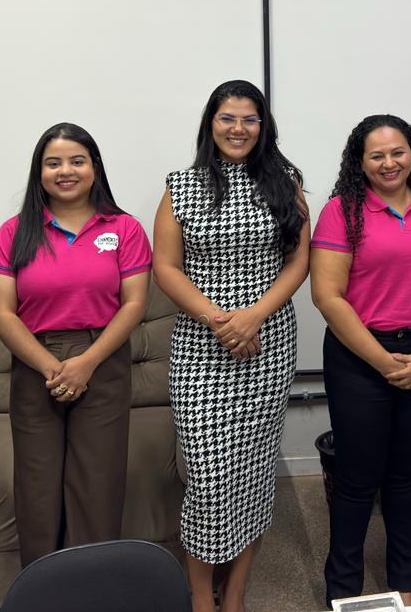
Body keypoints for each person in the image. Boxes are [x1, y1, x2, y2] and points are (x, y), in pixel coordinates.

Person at [153, 80, 309, 612]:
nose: (238, 129)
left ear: (263, 127)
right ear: (210, 124)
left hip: (267, 345)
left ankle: (236, 592)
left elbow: (299, 263)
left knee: (252, 472)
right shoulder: (183, 185)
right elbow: (166, 268)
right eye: (227, 118)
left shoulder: (286, 183)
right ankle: (201, 596)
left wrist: (254, 317)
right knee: (208, 476)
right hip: (201, 346)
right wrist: (222, 320)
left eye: (249, 119)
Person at [310, 114, 411, 607]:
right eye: (376, 155)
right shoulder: (342, 211)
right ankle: (345, 589)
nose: (388, 162)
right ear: (360, 162)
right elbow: (328, 297)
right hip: (359, 357)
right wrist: (382, 362)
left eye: (397, 151)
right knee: (357, 480)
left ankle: (406, 581)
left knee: (404, 475)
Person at [0, 123, 151, 566]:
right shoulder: (14, 233)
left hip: (103, 361)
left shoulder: (124, 228)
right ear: (39, 172)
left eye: (77, 160)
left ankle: (91, 590)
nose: (65, 171)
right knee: (37, 490)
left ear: (94, 167)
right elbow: (1, 314)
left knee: (98, 486)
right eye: (53, 162)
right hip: (34, 363)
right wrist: (52, 367)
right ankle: (42, 592)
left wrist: (85, 364)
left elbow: (133, 305)